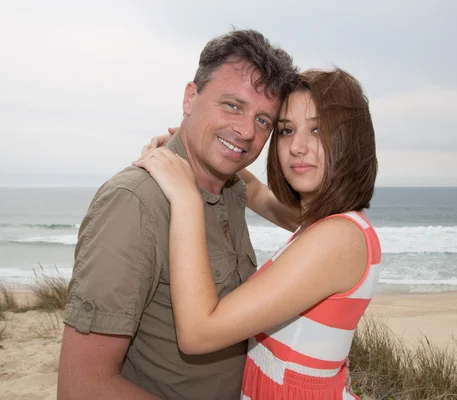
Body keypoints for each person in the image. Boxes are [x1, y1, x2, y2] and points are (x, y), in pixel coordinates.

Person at [57, 29, 297, 400]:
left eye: (264, 120)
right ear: (190, 98)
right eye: (232, 105)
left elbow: (305, 217)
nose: (247, 131)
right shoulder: (134, 204)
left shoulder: (233, 188)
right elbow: (82, 387)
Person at [134, 68, 381, 399]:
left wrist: (186, 199)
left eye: (318, 129)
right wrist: (192, 144)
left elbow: (199, 332)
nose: (297, 147)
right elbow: (251, 189)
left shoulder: (338, 237)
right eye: (286, 130)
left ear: (351, 139)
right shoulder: (319, 221)